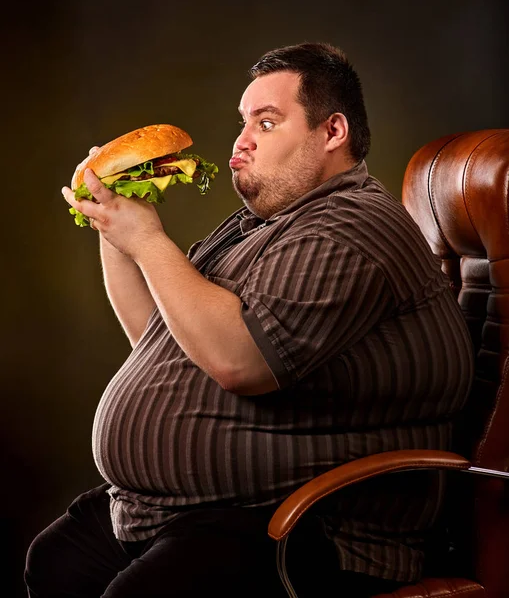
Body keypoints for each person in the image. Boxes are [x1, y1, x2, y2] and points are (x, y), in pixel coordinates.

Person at [25, 43, 474, 597]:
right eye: (244, 122)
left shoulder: (354, 228)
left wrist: (147, 238)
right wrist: (115, 232)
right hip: (198, 510)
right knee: (56, 564)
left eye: (267, 122)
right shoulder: (259, 227)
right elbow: (158, 337)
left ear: (332, 131)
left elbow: (241, 362)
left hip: (308, 526)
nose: (241, 141)